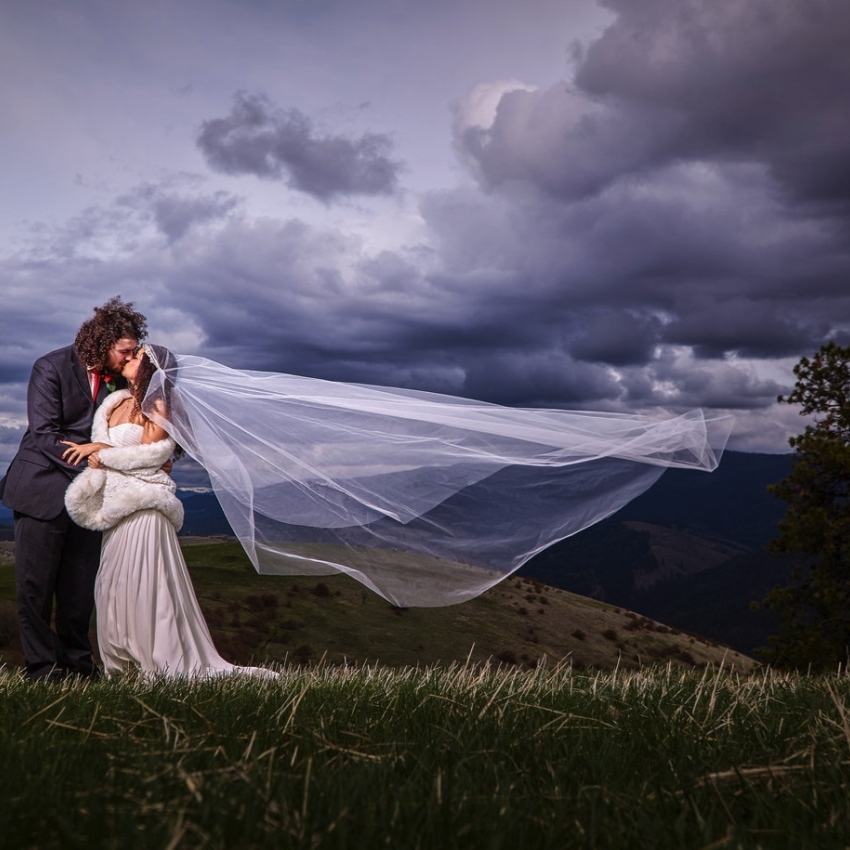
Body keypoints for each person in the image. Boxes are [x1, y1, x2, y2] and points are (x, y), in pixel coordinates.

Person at [63, 345, 276, 679]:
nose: (127, 358)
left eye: (135, 356)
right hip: (116, 507)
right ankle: (123, 665)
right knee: (113, 585)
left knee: (146, 583)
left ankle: (160, 663)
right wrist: (100, 454)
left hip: (146, 505)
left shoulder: (161, 403)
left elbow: (149, 454)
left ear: (151, 367)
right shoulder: (116, 402)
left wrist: (100, 451)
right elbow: (115, 452)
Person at [0, 297, 146, 682]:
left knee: (78, 590)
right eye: (124, 351)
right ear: (102, 341)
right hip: (42, 492)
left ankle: (79, 666)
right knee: (35, 589)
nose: (129, 357)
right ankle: (42, 670)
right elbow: (45, 433)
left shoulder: (121, 378)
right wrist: (94, 460)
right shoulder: (49, 367)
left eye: (134, 350)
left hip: (91, 498)